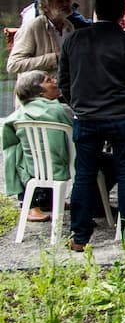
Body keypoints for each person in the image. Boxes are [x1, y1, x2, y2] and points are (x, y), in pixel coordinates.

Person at [60, 0, 125, 251]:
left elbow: (63, 82)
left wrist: (78, 104)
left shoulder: (73, 39)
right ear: (123, 12)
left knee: (84, 174)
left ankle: (79, 236)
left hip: (87, 116)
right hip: (123, 114)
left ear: (96, 10)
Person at [2, 71, 74, 222]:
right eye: (48, 80)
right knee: (109, 164)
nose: (55, 81)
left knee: (18, 152)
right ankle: (96, 205)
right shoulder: (62, 110)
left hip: (32, 168)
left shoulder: (17, 116)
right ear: (40, 91)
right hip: (68, 165)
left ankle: (42, 201)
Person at [7, 0, 74, 77]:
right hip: (37, 89)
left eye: (67, 1)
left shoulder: (69, 27)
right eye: (60, 1)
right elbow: (13, 65)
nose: (65, 4)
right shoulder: (33, 27)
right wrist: (54, 58)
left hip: (62, 88)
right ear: (45, 6)